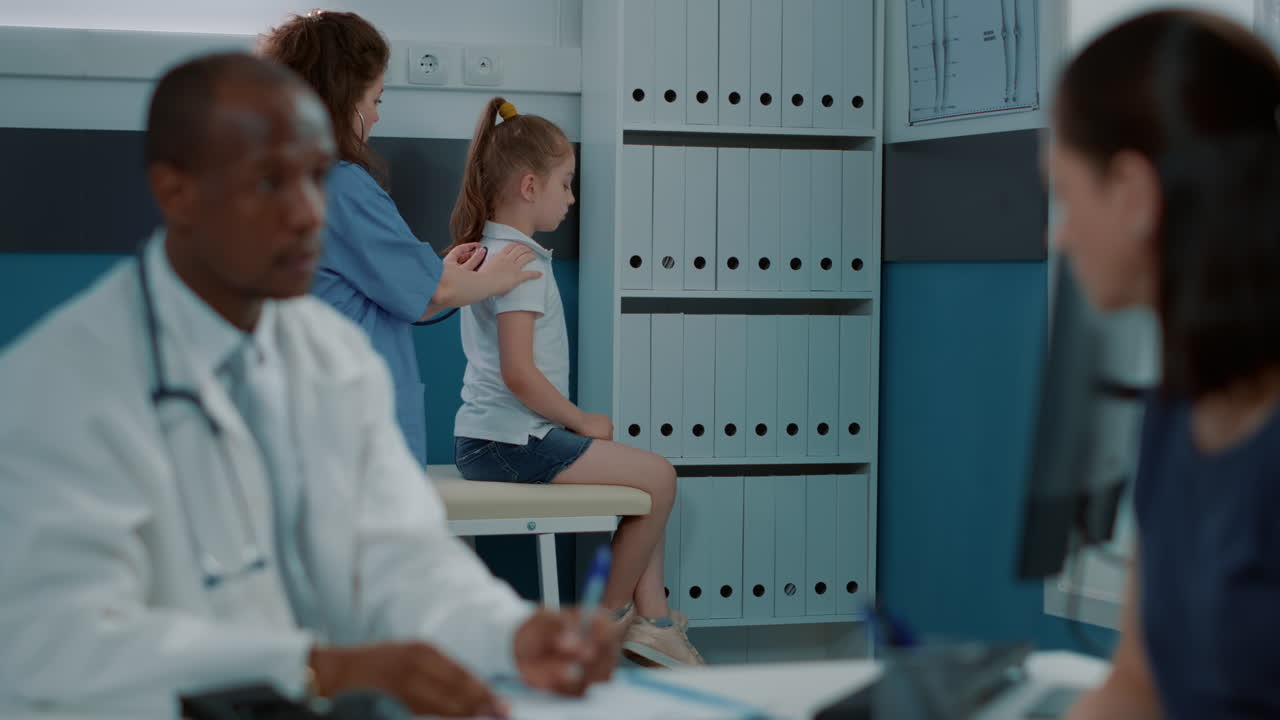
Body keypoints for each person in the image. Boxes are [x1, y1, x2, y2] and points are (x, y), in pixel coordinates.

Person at [0, 53, 618, 718]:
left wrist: (508, 631)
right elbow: (53, 642)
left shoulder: (331, 360)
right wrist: (316, 668)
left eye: (318, 177)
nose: (307, 212)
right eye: (270, 182)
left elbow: (402, 553)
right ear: (176, 192)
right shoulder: (59, 383)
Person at [1044, 11, 1280, 719]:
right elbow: (1136, 689)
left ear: (1132, 194)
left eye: (1065, 192)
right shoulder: (1175, 413)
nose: (1060, 232)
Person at [448, 97, 704, 668]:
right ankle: (609, 622)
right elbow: (519, 373)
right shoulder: (522, 265)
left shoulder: (491, 253)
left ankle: (655, 620)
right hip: (511, 443)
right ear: (530, 185)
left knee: (643, 475)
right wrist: (579, 420)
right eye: (566, 184)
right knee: (660, 476)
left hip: (493, 440)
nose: (571, 198)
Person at [260, 11, 541, 465]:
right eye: (375, 99)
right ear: (342, 100)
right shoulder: (342, 187)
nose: (375, 116)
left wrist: (441, 273)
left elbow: (400, 295)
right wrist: (499, 276)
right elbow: (438, 290)